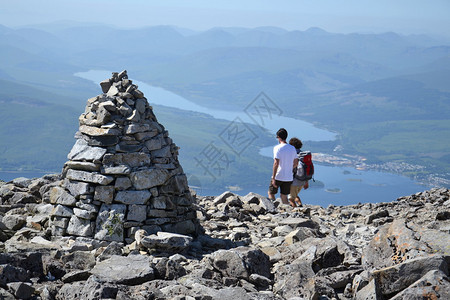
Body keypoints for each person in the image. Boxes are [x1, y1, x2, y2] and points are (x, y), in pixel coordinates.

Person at [268, 128, 298, 205]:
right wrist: (289, 169)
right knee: (284, 196)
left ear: (278, 137)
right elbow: (296, 163)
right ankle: (287, 212)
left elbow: (276, 163)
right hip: (288, 177)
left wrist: (273, 178)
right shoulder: (292, 148)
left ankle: (273, 208)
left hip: (278, 175)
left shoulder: (277, 148)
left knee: (271, 193)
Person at [288, 137, 309, 207]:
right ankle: (300, 205)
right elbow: (307, 169)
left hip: (294, 181)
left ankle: (296, 213)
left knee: (291, 199)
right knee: (295, 194)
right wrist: (306, 182)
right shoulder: (303, 155)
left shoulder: (292, 155)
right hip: (302, 181)